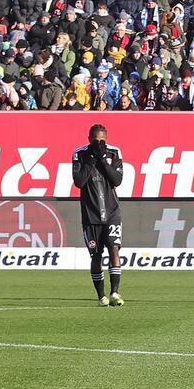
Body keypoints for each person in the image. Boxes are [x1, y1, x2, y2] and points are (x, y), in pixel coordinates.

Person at [73, 124, 126, 306]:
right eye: (95, 140)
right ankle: (101, 296)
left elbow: (117, 180)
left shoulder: (114, 152)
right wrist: (92, 160)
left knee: (114, 249)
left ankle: (114, 293)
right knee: (96, 256)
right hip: (90, 213)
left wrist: (103, 160)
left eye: (102, 140)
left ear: (107, 138)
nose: (99, 143)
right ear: (89, 139)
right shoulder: (80, 154)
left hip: (112, 211)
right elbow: (79, 182)